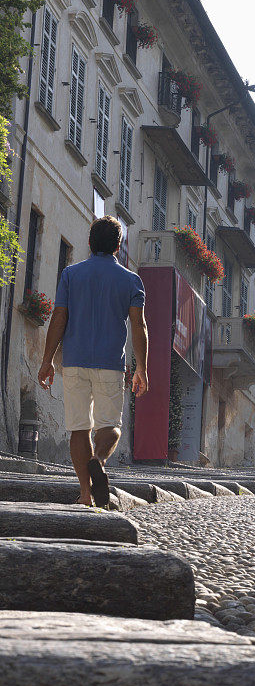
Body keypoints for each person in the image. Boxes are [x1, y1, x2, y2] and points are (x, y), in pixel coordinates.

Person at [38, 216, 148, 507]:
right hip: (111, 362)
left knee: (79, 428)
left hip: (74, 360)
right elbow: (139, 326)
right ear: (118, 245)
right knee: (110, 425)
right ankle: (98, 460)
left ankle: (85, 495)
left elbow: (59, 317)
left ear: (89, 243)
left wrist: (47, 360)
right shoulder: (131, 280)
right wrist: (142, 368)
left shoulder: (71, 275)